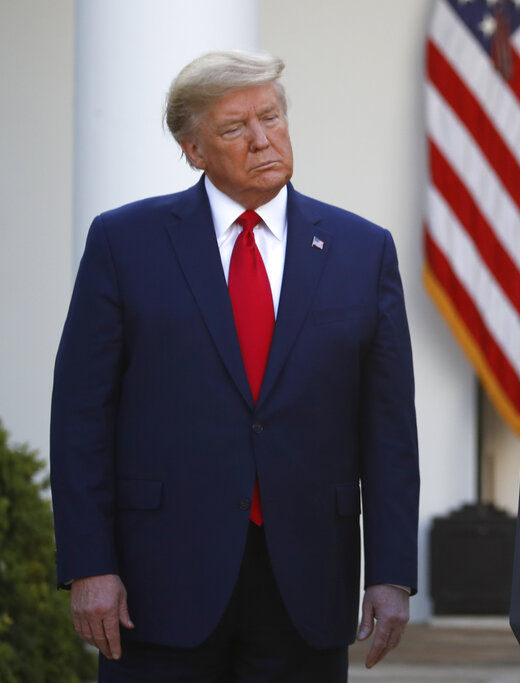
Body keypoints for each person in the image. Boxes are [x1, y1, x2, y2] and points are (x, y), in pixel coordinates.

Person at [50, 50, 419, 681]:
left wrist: (391, 574)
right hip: (158, 583)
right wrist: (89, 563)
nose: (261, 140)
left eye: (271, 118)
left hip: (307, 579)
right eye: (233, 129)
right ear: (194, 151)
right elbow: (81, 416)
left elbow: (387, 429)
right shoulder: (124, 243)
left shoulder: (363, 250)